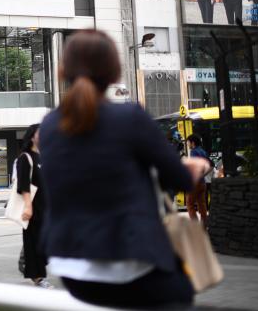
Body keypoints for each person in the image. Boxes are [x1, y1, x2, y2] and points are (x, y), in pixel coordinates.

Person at [38, 30, 211, 308]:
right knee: (181, 295)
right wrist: (195, 166)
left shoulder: (49, 126)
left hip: (69, 265)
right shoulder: (129, 117)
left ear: (64, 70)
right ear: (113, 70)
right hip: (127, 258)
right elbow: (179, 179)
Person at [16, 124, 50, 288]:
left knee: (44, 242)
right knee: (35, 242)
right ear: (32, 136)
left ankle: (25, 260)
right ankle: (38, 277)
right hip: (33, 209)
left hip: (45, 208)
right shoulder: (26, 157)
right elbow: (24, 184)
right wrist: (28, 206)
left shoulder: (41, 156)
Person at [186, 135, 211, 228]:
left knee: (189, 204)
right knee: (202, 205)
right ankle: (204, 226)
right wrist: (202, 175)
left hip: (195, 183)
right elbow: (210, 166)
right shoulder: (203, 151)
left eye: (188, 142)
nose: (187, 143)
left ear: (192, 142)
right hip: (202, 183)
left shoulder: (193, 152)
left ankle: (196, 227)